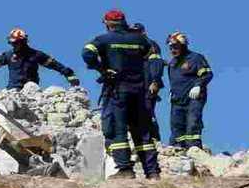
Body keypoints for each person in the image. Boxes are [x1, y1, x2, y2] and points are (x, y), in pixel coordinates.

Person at [82, 10, 161, 179]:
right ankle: (152, 172)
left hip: (117, 91)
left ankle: (125, 169)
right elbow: (155, 60)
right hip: (140, 92)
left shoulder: (104, 39)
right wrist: (155, 81)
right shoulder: (141, 39)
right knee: (142, 132)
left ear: (108, 24)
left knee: (115, 130)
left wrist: (101, 69)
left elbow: (87, 52)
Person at [0, 28, 80, 90]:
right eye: (12, 43)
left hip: (31, 91)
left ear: (22, 42)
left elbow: (55, 65)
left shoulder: (36, 55)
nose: (13, 46)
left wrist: (69, 74)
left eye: (15, 43)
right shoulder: (8, 56)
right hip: (13, 90)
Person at [166, 32, 213, 149]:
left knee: (193, 122)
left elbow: (207, 74)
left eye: (175, 47)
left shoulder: (195, 58)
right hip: (177, 99)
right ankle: (178, 147)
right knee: (176, 124)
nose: (172, 50)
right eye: (171, 48)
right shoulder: (172, 63)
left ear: (183, 46)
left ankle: (193, 148)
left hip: (194, 98)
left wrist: (198, 86)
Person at [131, 22, 165, 145]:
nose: (134, 34)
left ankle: (154, 138)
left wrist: (155, 81)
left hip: (147, 82)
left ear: (143, 32)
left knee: (147, 110)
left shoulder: (150, 44)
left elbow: (156, 62)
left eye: (137, 32)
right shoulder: (131, 45)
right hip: (135, 83)